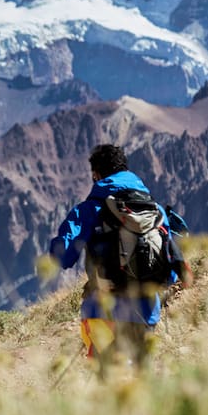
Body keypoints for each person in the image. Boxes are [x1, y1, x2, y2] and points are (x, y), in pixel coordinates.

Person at [48, 143, 187, 369]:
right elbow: (171, 266)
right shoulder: (156, 210)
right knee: (139, 379)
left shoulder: (89, 209)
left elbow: (63, 257)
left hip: (102, 309)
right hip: (146, 314)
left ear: (96, 175)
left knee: (109, 377)